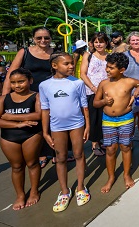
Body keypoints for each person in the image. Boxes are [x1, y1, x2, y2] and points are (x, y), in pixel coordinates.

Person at [40, 52, 91, 212]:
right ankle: (64, 191)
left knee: (78, 154)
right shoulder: (45, 85)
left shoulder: (77, 83)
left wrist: (88, 125)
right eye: (67, 64)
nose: (71, 66)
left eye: (72, 63)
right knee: (60, 157)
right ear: (54, 66)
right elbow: (44, 109)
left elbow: (84, 105)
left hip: (77, 124)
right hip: (57, 127)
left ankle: (81, 187)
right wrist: (45, 132)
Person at [0, 68, 43, 210]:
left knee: (32, 163)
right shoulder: (3, 99)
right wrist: (19, 125)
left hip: (31, 135)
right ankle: (20, 195)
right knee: (17, 167)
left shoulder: (36, 96)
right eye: (13, 83)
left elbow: (38, 115)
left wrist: (11, 117)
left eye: (21, 81)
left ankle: (34, 190)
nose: (17, 86)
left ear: (30, 81)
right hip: (9, 137)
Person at [3, 27, 56, 169]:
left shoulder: (55, 53)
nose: (43, 40)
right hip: (29, 94)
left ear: (51, 38)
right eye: (39, 38)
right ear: (33, 39)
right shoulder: (25, 52)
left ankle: (53, 150)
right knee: (34, 123)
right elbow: (11, 74)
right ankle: (40, 154)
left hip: (51, 94)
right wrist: (4, 97)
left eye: (46, 37)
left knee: (52, 122)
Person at [93, 52, 139, 193]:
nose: (107, 70)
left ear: (122, 70)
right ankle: (111, 177)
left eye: (111, 68)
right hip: (108, 121)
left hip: (126, 119)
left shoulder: (130, 81)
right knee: (110, 149)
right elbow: (96, 103)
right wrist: (103, 101)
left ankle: (126, 175)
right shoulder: (103, 84)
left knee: (125, 147)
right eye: (107, 67)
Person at [80, 32, 111, 156]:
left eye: (101, 41)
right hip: (91, 91)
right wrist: (93, 88)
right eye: (96, 42)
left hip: (106, 91)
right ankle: (95, 143)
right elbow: (83, 73)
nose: (99, 44)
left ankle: (101, 139)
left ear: (106, 43)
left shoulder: (110, 56)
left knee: (104, 117)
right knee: (94, 118)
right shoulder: (88, 55)